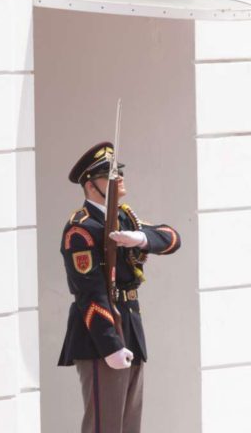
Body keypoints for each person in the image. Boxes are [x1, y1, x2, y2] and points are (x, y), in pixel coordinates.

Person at [58, 142, 182, 433]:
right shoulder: (81, 228)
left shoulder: (125, 218)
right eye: (109, 174)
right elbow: (88, 293)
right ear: (91, 186)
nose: (119, 178)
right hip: (101, 337)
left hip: (130, 327)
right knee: (105, 426)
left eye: (118, 172)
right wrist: (110, 345)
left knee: (129, 425)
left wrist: (140, 239)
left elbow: (172, 238)